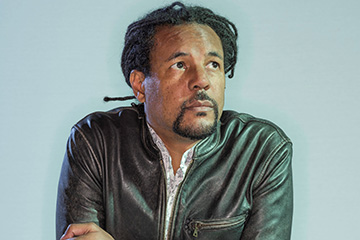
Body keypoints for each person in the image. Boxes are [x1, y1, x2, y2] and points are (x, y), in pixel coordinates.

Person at [56, 1, 293, 239]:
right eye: (180, 65)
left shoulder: (260, 150)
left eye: (213, 64)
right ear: (140, 85)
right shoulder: (98, 141)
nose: (202, 80)